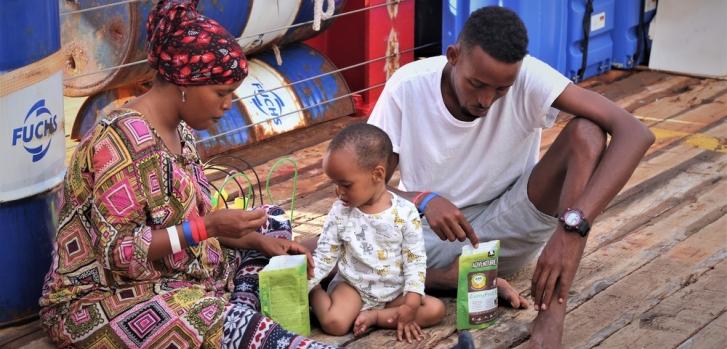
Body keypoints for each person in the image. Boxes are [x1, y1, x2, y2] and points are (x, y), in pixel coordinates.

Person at [38, 1, 338, 348]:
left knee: (268, 220)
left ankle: (238, 313)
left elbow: (197, 220)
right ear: (184, 83)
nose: (227, 105)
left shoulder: (182, 134)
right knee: (204, 316)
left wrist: (258, 241)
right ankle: (238, 320)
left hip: (174, 273)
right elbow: (118, 252)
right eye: (221, 93)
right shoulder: (119, 142)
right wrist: (208, 227)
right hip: (104, 297)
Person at [365, 6, 655, 348]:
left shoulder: (530, 75)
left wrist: (572, 230)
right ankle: (453, 279)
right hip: (429, 236)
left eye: (501, 89)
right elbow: (367, 187)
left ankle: (551, 313)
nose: (487, 100)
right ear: (454, 56)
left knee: (588, 131)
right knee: (337, 247)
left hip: (507, 227)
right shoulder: (408, 87)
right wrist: (423, 199)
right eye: (477, 85)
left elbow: (635, 133)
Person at [307, 124, 446, 343]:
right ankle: (314, 293)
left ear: (377, 174)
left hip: (393, 291)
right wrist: (306, 282)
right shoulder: (341, 211)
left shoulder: (405, 212)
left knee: (435, 309)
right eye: (335, 184)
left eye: (345, 184)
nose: (339, 192)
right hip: (352, 287)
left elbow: (415, 259)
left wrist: (410, 301)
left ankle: (376, 317)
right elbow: (325, 255)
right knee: (335, 324)